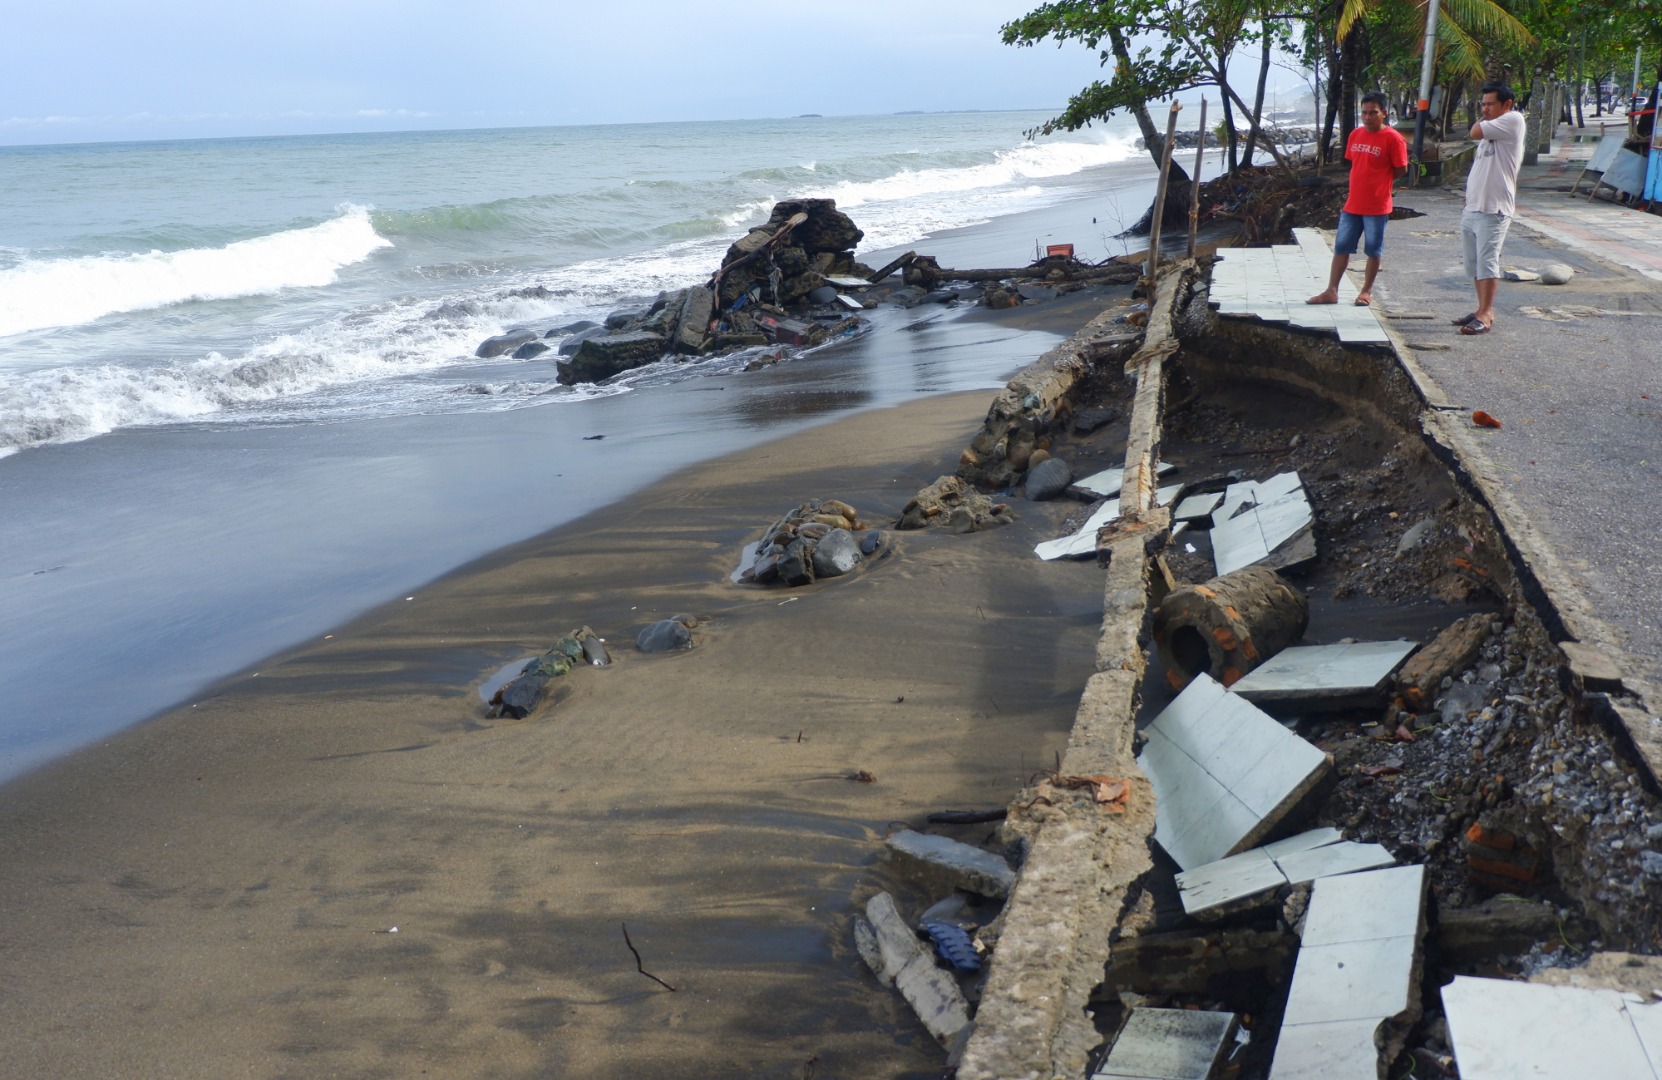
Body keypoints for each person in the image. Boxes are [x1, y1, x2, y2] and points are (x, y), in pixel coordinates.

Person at [1307, 91, 1409, 308]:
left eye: (1373, 113)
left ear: (1383, 113)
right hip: (1353, 204)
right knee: (1341, 247)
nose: (1368, 117)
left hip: (1377, 205)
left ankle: (1366, 291)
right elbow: (1354, 163)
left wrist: (1382, 182)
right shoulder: (1355, 135)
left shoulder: (1393, 139)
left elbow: (1401, 169)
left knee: (1373, 250)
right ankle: (1331, 290)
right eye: (1364, 113)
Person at [1452, 83, 1527, 335]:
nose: (1485, 109)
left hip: (1494, 209)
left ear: (1507, 104)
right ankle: (1481, 309)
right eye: (1483, 104)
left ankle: (1486, 314)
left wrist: (1482, 120)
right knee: (1473, 264)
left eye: (1490, 104)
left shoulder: (1513, 120)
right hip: (1474, 207)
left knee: (1487, 262)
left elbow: (1473, 130)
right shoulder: (1493, 131)